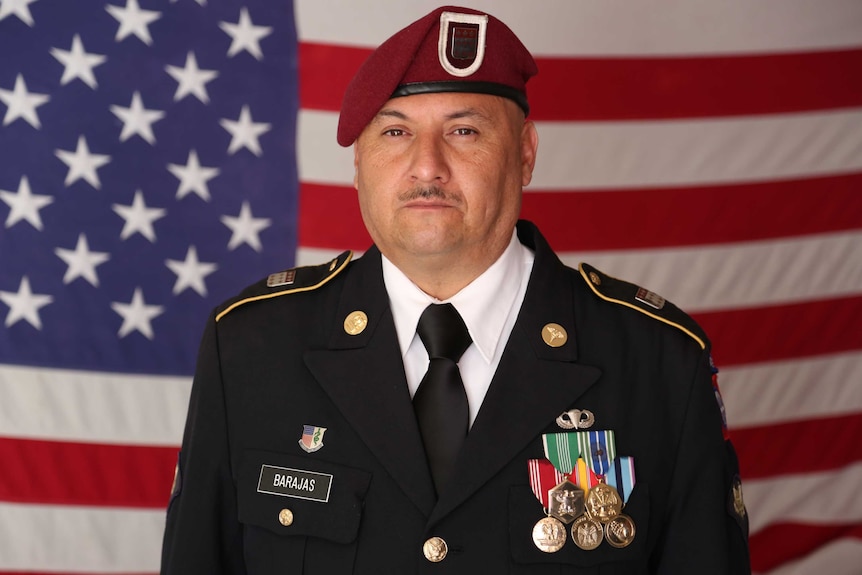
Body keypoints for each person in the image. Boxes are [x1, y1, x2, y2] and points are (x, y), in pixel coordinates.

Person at [160, 5, 750, 574]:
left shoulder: (657, 360)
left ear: (524, 154)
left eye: (464, 130)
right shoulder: (250, 348)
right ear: (359, 165)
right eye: (395, 131)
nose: (426, 166)